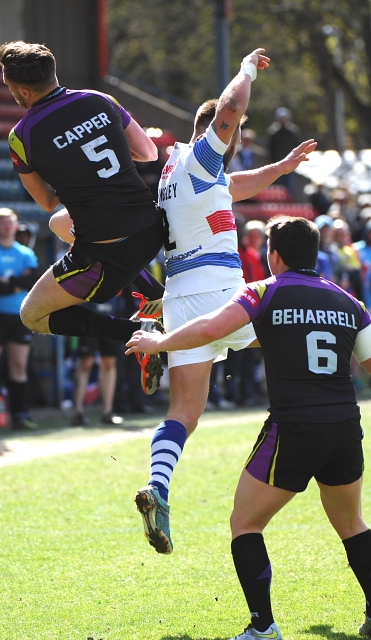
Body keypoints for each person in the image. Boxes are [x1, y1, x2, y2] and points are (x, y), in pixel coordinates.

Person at [126, 216, 371, 640]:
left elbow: (211, 329)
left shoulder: (264, 290)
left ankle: (263, 626)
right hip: (345, 425)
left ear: (274, 255)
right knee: (352, 525)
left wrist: (157, 343)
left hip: (294, 426)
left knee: (246, 524)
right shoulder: (350, 302)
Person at [128, 47, 317, 555]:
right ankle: (321, 427)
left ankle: (159, 488)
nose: (234, 135)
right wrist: (247, 70)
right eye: (231, 131)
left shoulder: (184, 174)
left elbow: (240, 185)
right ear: (217, 132)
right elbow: (231, 108)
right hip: (222, 293)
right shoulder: (202, 154)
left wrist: (285, 165)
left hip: (183, 298)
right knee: (302, 333)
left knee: (185, 411)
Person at [0, 40, 165, 395]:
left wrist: (78, 181)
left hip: (107, 255)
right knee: (59, 224)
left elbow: (44, 199)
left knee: (32, 316)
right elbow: (149, 152)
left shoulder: (21, 135)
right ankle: (154, 294)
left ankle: (134, 332)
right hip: (151, 229)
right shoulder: (99, 99)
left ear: (23, 90)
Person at [0, 208, 40, 430]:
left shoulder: (25, 253)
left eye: (10, 223)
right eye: (2, 223)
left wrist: (8, 281)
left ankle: (20, 414)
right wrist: (16, 281)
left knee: (18, 365)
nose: (7, 227)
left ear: (16, 227)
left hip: (19, 316)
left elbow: (33, 280)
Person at [71, 297, 125, 427]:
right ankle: (78, 412)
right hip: (88, 316)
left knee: (109, 363)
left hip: (112, 317)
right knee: (86, 363)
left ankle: (107, 412)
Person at [267, 107, 301, 196]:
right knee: (278, 185)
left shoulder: (292, 131)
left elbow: (297, 145)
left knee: (289, 185)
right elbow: (270, 148)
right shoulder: (274, 132)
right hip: (278, 162)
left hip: (290, 162)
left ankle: (289, 200)